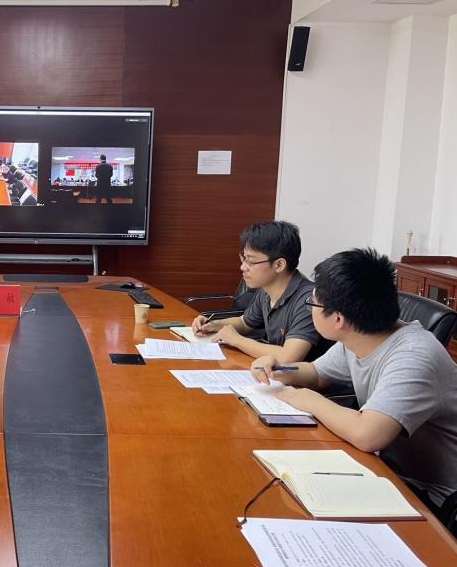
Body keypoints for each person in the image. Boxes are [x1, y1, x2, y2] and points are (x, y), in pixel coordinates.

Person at [252, 248, 457, 520]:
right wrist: (279, 369)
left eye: (312, 303)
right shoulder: (360, 336)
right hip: (387, 470)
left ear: (338, 319)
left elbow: (368, 434)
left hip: (436, 499)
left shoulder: (414, 356)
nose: (309, 308)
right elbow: (317, 373)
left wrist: (311, 401)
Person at [191, 221, 323, 363]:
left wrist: (237, 340)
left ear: (279, 265)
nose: (243, 267)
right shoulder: (266, 289)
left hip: (300, 376)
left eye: (251, 262)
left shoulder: (309, 300)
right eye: (244, 259)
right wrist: (214, 325)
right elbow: (244, 323)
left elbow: (288, 357)